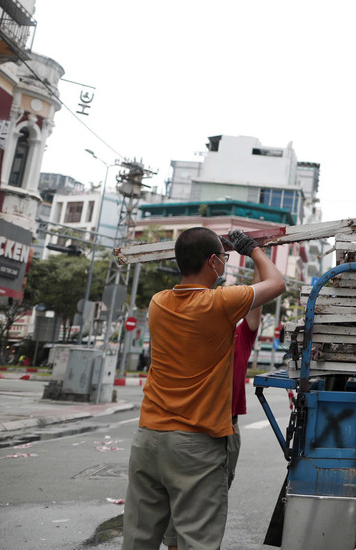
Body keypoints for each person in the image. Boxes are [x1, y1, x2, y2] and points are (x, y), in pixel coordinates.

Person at [121, 227, 285, 550]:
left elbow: (252, 309)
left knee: (138, 540)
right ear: (212, 262)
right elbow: (277, 283)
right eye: (223, 258)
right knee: (196, 541)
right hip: (195, 443)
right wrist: (253, 250)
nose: (224, 263)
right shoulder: (218, 303)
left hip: (149, 439)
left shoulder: (158, 303)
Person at [162, 268, 265, 550]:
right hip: (190, 425)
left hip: (226, 427)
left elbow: (258, 300)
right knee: (181, 498)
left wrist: (259, 257)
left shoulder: (241, 335)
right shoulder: (198, 332)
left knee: (212, 498)